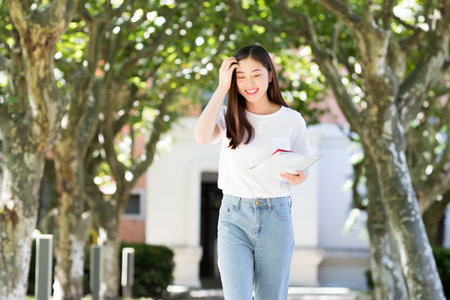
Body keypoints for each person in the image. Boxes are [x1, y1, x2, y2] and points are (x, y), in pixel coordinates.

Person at [194, 44, 313, 300]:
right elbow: (202, 136)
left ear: (270, 75)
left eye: (257, 74)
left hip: (276, 216)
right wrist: (221, 88)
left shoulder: (292, 120)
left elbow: (302, 167)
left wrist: (299, 176)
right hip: (233, 216)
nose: (249, 82)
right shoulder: (227, 116)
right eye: (241, 76)